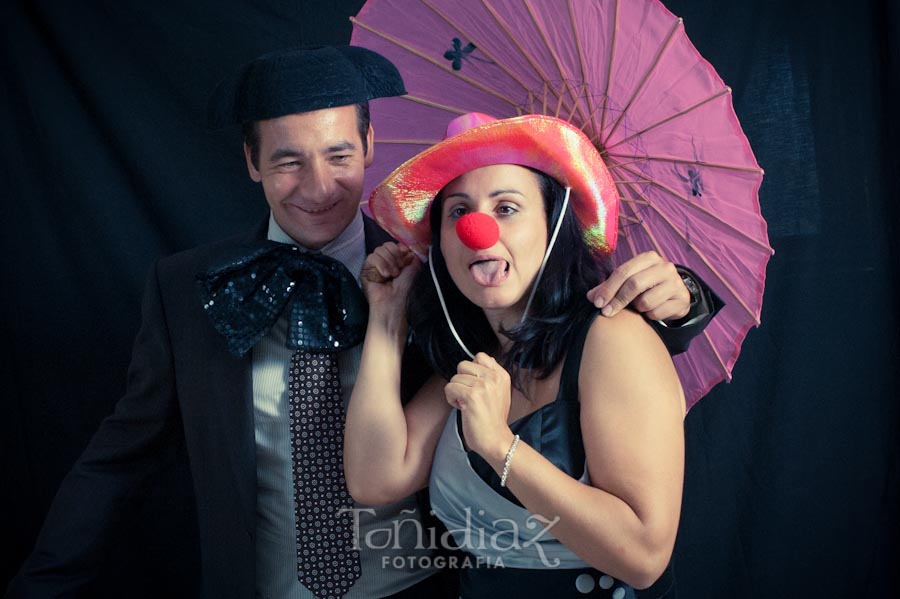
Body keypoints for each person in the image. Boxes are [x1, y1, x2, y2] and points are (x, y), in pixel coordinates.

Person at [7, 47, 710, 599]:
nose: (318, 187)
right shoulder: (188, 289)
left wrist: (680, 295)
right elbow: (118, 458)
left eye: (340, 155)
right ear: (251, 163)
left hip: (424, 590)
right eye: (287, 161)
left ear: (371, 148)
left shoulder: (443, 276)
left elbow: (563, 328)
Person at [345, 112, 687, 598]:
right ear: (439, 244)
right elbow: (374, 478)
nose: (477, 230)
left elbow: (645, 557)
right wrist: (386, 318)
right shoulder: (476, 359)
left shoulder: (612, 339)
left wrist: (499, 446)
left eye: (506, 207)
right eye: (458, 212)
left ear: (552, 224)